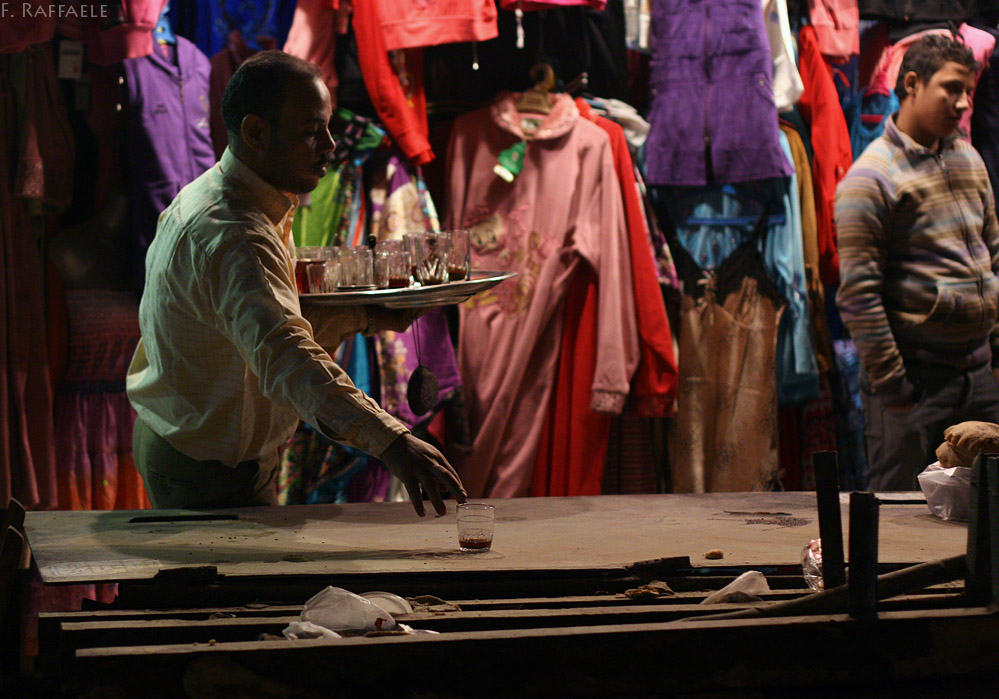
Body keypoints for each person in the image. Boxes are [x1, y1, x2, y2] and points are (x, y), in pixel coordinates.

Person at [126, 51, 466, 513]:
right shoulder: (236, 232)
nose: (330, 144)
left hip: (190, 450)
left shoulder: (226, 198)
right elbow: (286, 355)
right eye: (311, 131)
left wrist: (369, 315)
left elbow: (259, 332)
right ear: (256, 133)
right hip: (207, 474)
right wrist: (391, 441)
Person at [836, 34, 999, 491]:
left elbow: (994, 256)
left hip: (979, 378)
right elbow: (859, 296)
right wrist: (895, 388)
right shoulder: (872, 177)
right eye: (952, 88)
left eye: (968, 90)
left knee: (986, 514)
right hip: (915, 385)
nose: (963, 103)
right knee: (898, 514)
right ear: (912, 83)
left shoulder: (968, 158)